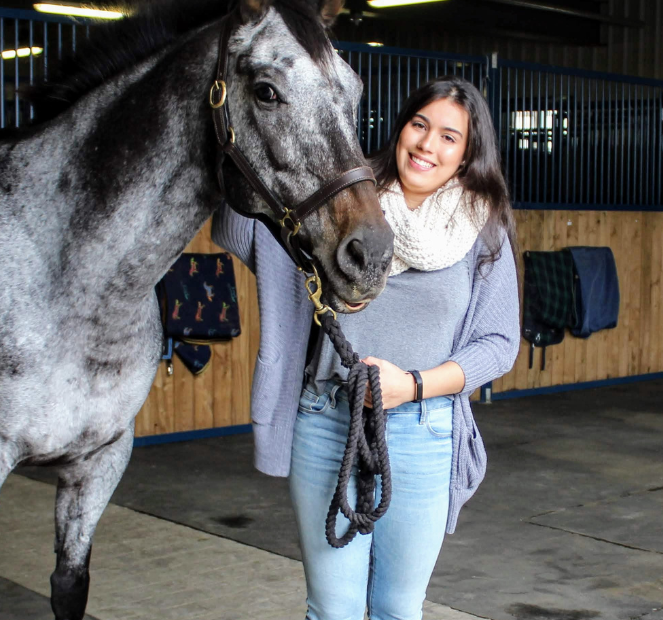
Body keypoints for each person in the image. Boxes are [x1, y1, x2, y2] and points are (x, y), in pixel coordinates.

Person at [212, 75, 520, 619]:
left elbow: (498, 343)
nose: (427, 144)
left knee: (397, 611)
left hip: (424, 431)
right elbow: (241, 226)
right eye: (419, 125)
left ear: (469, 152)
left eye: (449, 136)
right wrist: (249, 124)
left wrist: (414, 386)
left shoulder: (482, 228)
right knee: (332, 611)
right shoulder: (336, 209)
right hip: (328, 419)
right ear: (400, 127)